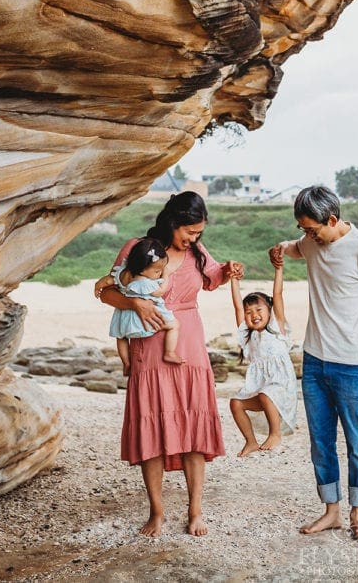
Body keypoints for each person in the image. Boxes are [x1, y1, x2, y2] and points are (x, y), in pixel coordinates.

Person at [95, 191, 243, 538]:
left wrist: (229, 270)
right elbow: (106, 290)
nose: (194, 238)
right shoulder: (139, 247)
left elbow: (213, 279)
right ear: (173, 221)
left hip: (188, 345)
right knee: (152, 429)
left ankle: (195, 512)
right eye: (189, 232)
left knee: (193, 431)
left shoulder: (197, 253)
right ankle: (157, 513)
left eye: (198, 233)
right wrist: (137, 306)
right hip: (147, 348)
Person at [268, 185, 358, 544]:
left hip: (354, 366)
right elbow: (291, 249)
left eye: (312, 228)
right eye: (302, 229)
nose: (307, 236)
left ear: (332, 219)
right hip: (315, 361)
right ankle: (332, 511)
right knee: (321, 441)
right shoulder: (311, 242)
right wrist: (278, 250)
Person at [228, 260, 298, 457]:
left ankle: (275, 434)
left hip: (281, 387)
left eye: (259, 310)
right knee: (236, 403)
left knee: (267, 394)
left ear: (269, 311)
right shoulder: (247, 336)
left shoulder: (277, 329)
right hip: (261, 389)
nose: (254, 315)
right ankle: (250, 442)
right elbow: (237, 307)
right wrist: (233, 279)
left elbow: (277, 295)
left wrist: (279, 269)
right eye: (249, 312)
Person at [95, 237, 181, 375]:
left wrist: (98, 285)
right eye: (157, 271)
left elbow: (107, 280)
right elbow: (160, 291)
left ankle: (126, 363)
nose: (159, 273)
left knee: (121, 337)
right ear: (142, 269)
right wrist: (166, 275)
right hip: (142, 320)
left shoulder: (122, 274)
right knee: (174, 325)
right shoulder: (144, 282)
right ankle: (169, 352)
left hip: (123, 318)